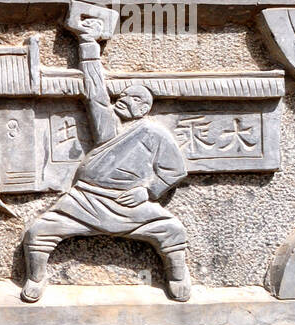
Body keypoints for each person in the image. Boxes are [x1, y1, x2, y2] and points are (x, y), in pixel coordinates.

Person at [20, 15, 191, 303]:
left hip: (130, 204)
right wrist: (88, 46)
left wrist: (147, 191)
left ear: (145, 108)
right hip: (85, 200)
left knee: (172, 230)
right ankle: (36, 278)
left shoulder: (152, 132)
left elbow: (174, 170)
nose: (126, 100)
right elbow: (96, 94)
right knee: (38, 232)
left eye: (136, 99)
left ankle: (177, 276)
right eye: (124, 96)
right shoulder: (108, 126)